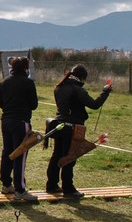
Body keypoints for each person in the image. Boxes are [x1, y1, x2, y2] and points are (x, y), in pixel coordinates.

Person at [46, 64, 111, 198]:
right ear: (82, 78)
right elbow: (94, 105)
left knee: (57, 155)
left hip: (59, 125)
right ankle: (68, 189)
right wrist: (105, 92)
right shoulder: (77, 90)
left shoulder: (59, 87)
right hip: (73, 128)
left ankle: (51, 185)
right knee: (70, 157)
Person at [0, 57, 39, 201]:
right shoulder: (28, 83)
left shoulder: (3, 82)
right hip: (21, 122)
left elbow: (1, 103)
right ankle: (20, 190)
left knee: (7, 151)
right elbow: (34, 104)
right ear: (25, 68)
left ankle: (6, 184)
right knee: (20, 153)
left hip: (6, 120)